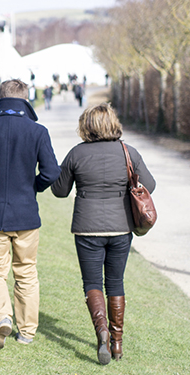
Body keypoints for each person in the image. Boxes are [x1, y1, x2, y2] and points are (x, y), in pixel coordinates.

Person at [51, 103, 156, 365]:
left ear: (86, 126)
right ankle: (117, 344)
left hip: (87, 228)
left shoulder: (77, 154)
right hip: (121, 228)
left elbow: (60, 191)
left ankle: (101, 333)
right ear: (113, 123)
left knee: (92, 283)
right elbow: (150, 185)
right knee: (116, 282)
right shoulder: (128, 152)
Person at [0, 79, 61, 349]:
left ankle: (2, 316)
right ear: (25, 99)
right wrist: (33, 188)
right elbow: (52, 172)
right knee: (26, 272)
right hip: (27, 214)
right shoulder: (38, 131)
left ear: (1, 98)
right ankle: (27, 332)